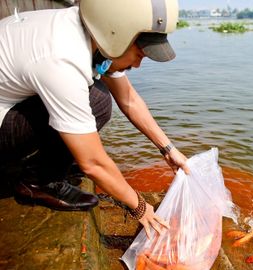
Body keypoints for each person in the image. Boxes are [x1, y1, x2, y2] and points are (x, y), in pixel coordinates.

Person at [0, 0, 190, 238]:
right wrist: (140, 207)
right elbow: (93, 163)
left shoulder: (90, 31)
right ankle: (37, 183)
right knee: (97, 101)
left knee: (97, 97)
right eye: (139, 54)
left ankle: (49, 166)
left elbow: (129, 99)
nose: (139, 65)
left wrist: (168, 149)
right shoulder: (63, 57)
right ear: (116, 34)